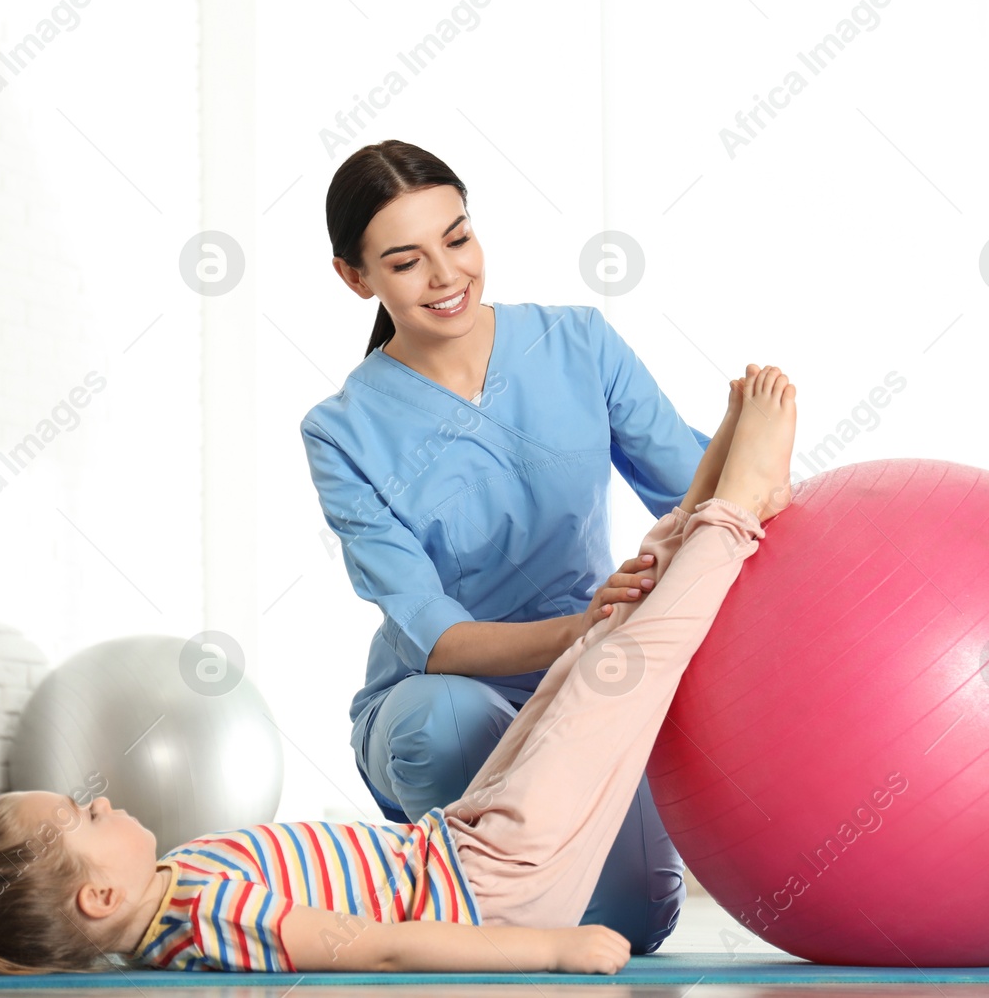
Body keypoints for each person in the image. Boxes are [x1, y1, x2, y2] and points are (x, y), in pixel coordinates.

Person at [0, 363, 798, 975]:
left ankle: (700, 501)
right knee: (618, 682)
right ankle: (735, 513)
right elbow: (380, 948)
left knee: (589, 663)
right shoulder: (202, 910)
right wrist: (554, 951)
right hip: (494, 882)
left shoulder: (169, 892)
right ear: (98, 894)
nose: (101, 799)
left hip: (459, 842)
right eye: (83, 814)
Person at [300, 139, 723, 952]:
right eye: (405, 261)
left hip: (585, 687)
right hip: (442, 697)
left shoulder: (579, 344)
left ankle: (467, 916)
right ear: (358, 279)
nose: (445, 275)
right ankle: (455, 912)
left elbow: (694, 490)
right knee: (444, 720)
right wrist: (588, 624)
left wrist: (761, 441)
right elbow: (442, 638)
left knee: (634, 919)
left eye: (457, 238)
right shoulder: (342, 431)